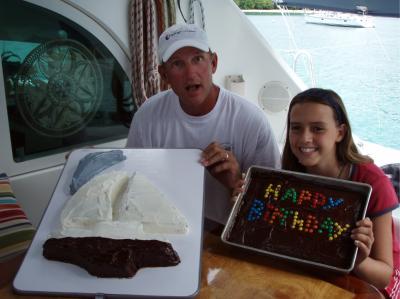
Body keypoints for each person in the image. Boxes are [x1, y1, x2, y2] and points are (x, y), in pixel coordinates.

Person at [126, 23, 280, 224]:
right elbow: (132, 178)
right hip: (164, 227)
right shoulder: (147, 116)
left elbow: (271, 202)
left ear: (213, 63)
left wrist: (235, 181)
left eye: (198, 59)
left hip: (225, 231)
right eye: (177, 64)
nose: (191, 74)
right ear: (164, 75)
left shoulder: (252, 121)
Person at [281, 88, 399, 297]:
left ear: (340, 133)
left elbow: (383, 276)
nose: (304, 138)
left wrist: (358, 260)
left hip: (367, 282)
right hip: (314, 274)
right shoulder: (290, 175)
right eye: (296, 128)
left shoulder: (373, 182)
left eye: (317, 129)